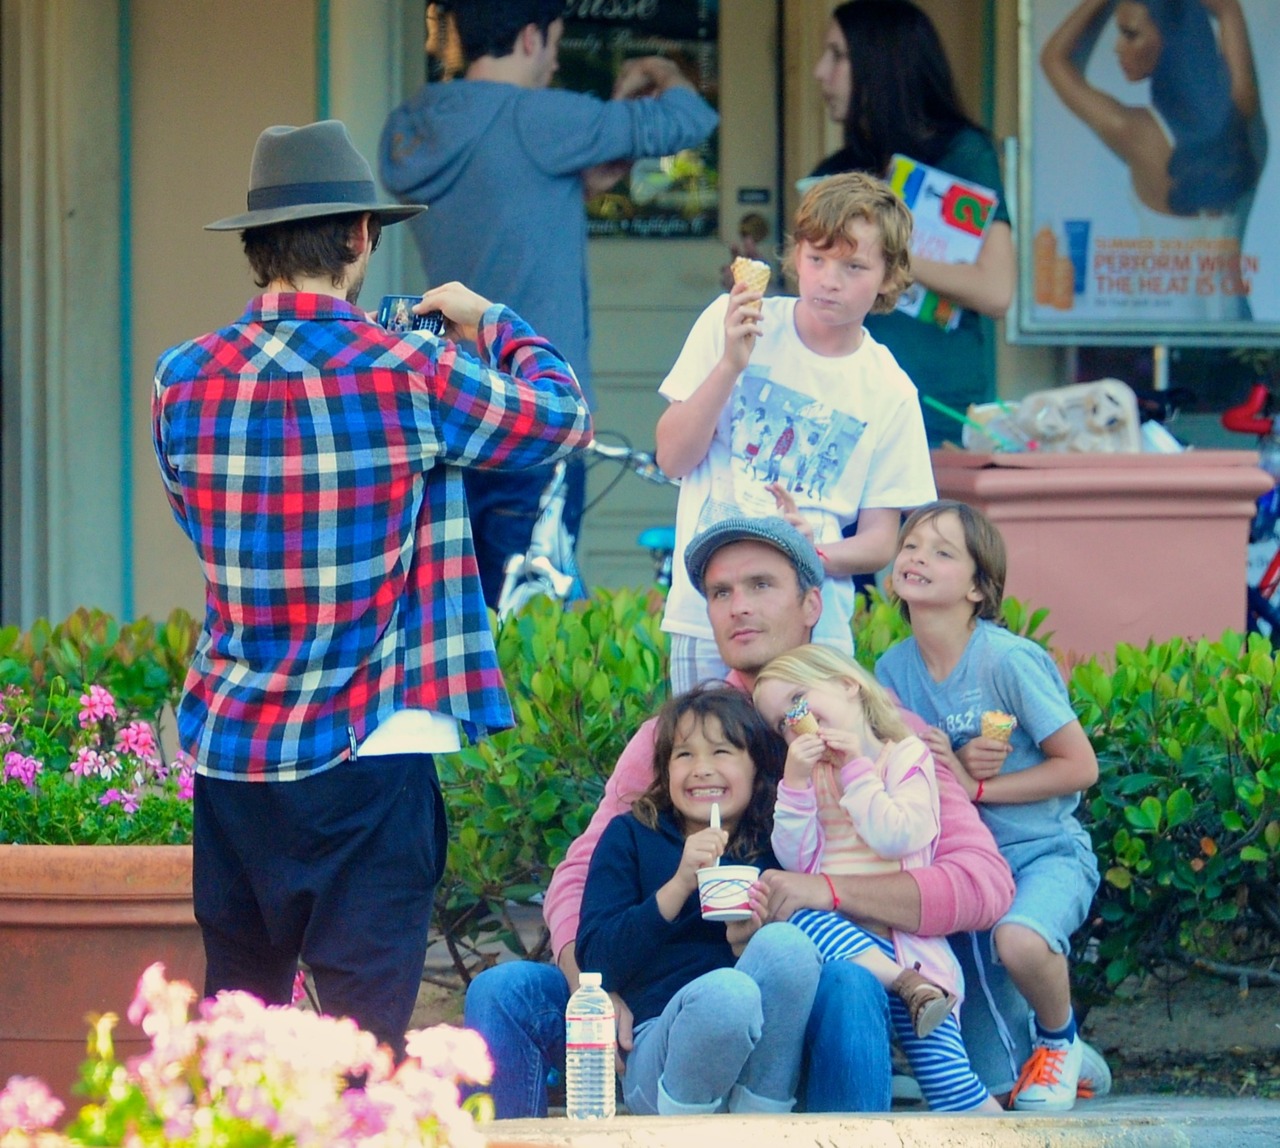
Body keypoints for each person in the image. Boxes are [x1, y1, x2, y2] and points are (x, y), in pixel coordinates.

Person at [151, 119, 592, 1058]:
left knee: (245, 1047)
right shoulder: (411, 372)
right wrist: (489, 324)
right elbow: (562, 417)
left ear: (254, 245)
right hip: (371, 744)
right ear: (359, 236)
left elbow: (202, 523)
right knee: (361, 1057)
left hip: (234, 754)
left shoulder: (180, 379)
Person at [464, 515, 1027, 1117]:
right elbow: (580, 875)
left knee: (848, 983)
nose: (738, 607)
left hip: (801, 1003)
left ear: (812, 602)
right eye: (720, 593)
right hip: (660, 1001)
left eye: (761, 585)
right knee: (504, 989)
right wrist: (590, 988)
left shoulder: (880, 732)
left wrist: (826, 891)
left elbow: (982, 884)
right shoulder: (680, 733)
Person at [379, 0, 719, 609]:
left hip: (445, 404)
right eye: (557, 42)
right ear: (531, 37)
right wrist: (661, 74)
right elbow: (689, 119)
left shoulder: (414, 124)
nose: (557, 58)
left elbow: (513, 179)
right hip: (534, 410)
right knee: (526, 615)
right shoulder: (540, 121)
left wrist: (592, 148)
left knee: (457, 608)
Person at [655, 172, 935, 694]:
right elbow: (672, 457)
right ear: (796, 255)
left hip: (815, 626)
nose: (830, 279)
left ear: (888, 277)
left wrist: (817, 553)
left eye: (853, 266)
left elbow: (880, 541)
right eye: (817, 258)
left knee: (809, 767)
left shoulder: (889, 389)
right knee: (708, 761)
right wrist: (730, 366)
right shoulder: (733, 320)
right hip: (708, 614)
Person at [876, 500, 1102, 1111]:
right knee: (995, 1091)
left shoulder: (1006, 659)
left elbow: (1080, 767)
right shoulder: (891, 671)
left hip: (1044, 855)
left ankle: (1060, 1040)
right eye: (911, 545)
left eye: (942, 551)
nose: (917, 557)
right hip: (969, 874)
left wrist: (981, 788)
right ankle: (1054, 1052)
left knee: (1022, 942)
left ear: (978, 587)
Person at [753, 644, 1002, 1113]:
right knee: (791, 913)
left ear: (849, 685)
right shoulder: (815, 778)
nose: (794, 722)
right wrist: (795, 787)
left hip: (910, 948)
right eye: (781, 723)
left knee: (952, 1085)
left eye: (799, 702)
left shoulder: (905, 757)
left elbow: (898, 836)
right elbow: (798, 860)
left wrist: (858, 773)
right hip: (844, 939)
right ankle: (900, 983)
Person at [577, 685, 821, 1115]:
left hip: (752, 1057)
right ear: (665, 769)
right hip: (658, 1045)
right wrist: (678, 886)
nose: (702, 769)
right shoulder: (630, 837)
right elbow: (596, 962)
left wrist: (745, 943)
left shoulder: (774, 843)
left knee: (787, 948)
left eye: (722, 752)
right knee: (727, 995)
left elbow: (780, 980)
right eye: (684, 754)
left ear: (755, 768)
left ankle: (762, 1128)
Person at [809, 0, 1016, 447]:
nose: (820, 72)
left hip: (937, 411)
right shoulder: (836, 173)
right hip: (846, 409)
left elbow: (997, 290)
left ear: (882, 63)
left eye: (837, 55)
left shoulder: (963, 155)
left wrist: (883, 254)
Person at [1040, 0, 1264, 321]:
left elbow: (1054, 60)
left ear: (1171, 38)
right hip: (1233, 325)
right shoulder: (1240, 116)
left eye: (1131, 35)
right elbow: (1228, 8)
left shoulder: (1137, 134)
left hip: (1151, 325)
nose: (1118, 48)